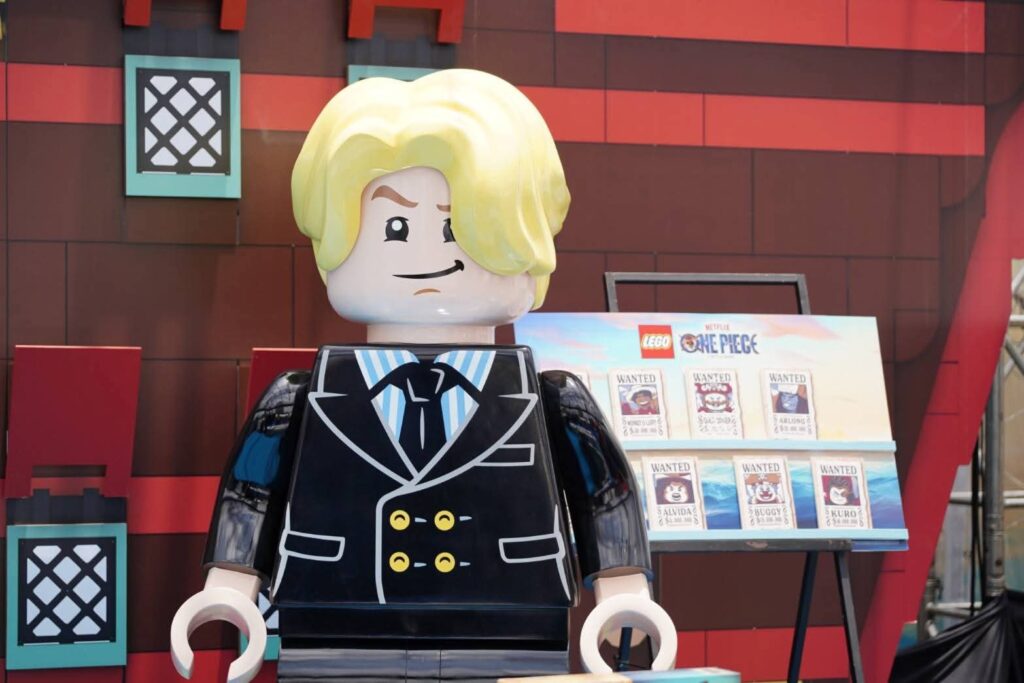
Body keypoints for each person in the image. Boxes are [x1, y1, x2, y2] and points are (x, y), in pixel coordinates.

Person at [170, 69, 676, 683]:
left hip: (509, 630)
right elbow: (251, 493)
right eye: (395, 227)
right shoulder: (302, 397)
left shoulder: (550, 399)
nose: (429, 256)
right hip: (334, 628)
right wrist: (229, 587)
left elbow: (603, 495)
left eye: (455, 227)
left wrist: (623, 591)